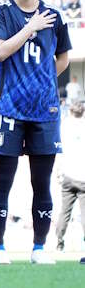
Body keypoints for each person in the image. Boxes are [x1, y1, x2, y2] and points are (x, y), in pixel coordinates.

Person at [0, 0, 71, 265]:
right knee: (3, 181)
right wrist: (30, 27)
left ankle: (39, 248)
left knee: (42, 182)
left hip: (45, 111)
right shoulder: (1, 10)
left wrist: (44, 79)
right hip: (8, 108)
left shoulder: (55, 14)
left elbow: (62, 58)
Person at [56, 103, 85, 252]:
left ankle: (59, 243)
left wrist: (59, 171)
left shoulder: (64, 127)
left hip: (67, 174)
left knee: (64, 212)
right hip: (83, 176)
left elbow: (59, 149)